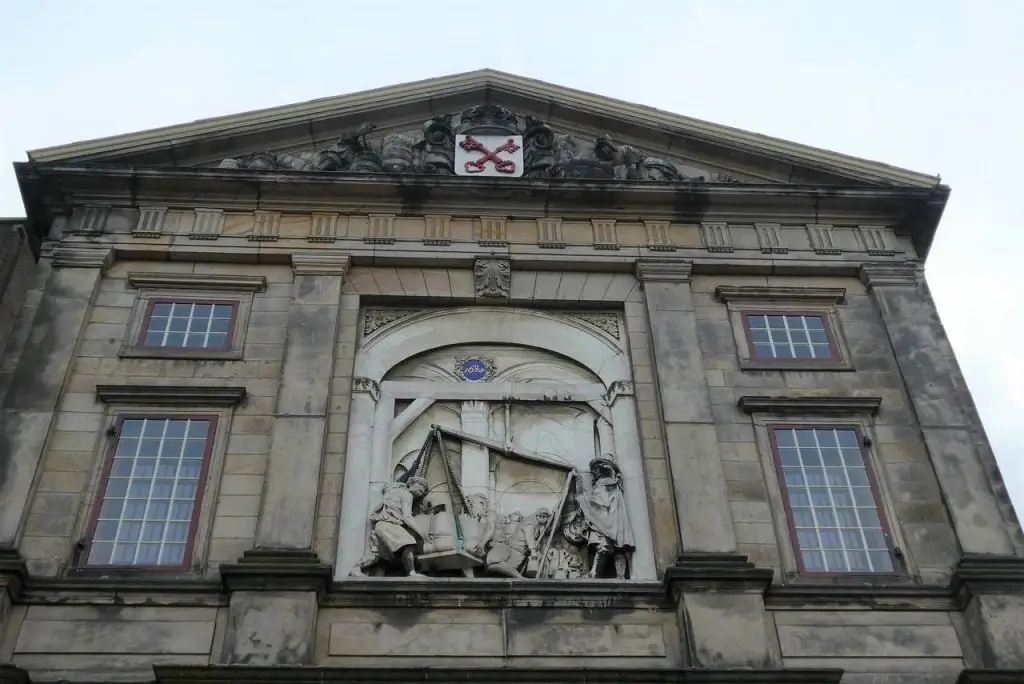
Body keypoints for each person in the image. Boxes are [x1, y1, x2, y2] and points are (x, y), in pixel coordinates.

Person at [564, 457, 636, 578]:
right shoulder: (608, 484)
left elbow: (597, 501)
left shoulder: (607, 483)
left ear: (603, 469)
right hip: (609, 520)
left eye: (596, 469)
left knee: (605, 546)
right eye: (593, 470)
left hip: (605, 520)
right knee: (614, 547)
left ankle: (601, 574)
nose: (594, 473)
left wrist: (580, 491)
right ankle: (616, 575)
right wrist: (578, 482)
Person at [350, 476, 430, 577]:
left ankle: (356, 568)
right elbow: (407, 517)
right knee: (409, 544)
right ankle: (411, 572)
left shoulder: (394, 491)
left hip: (380, 525)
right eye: (421, 485)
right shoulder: (407, 495)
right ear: (411, 483)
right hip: (389, 524)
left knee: (378, 554)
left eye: (423, 489)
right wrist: (422, 534)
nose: (421, 490)